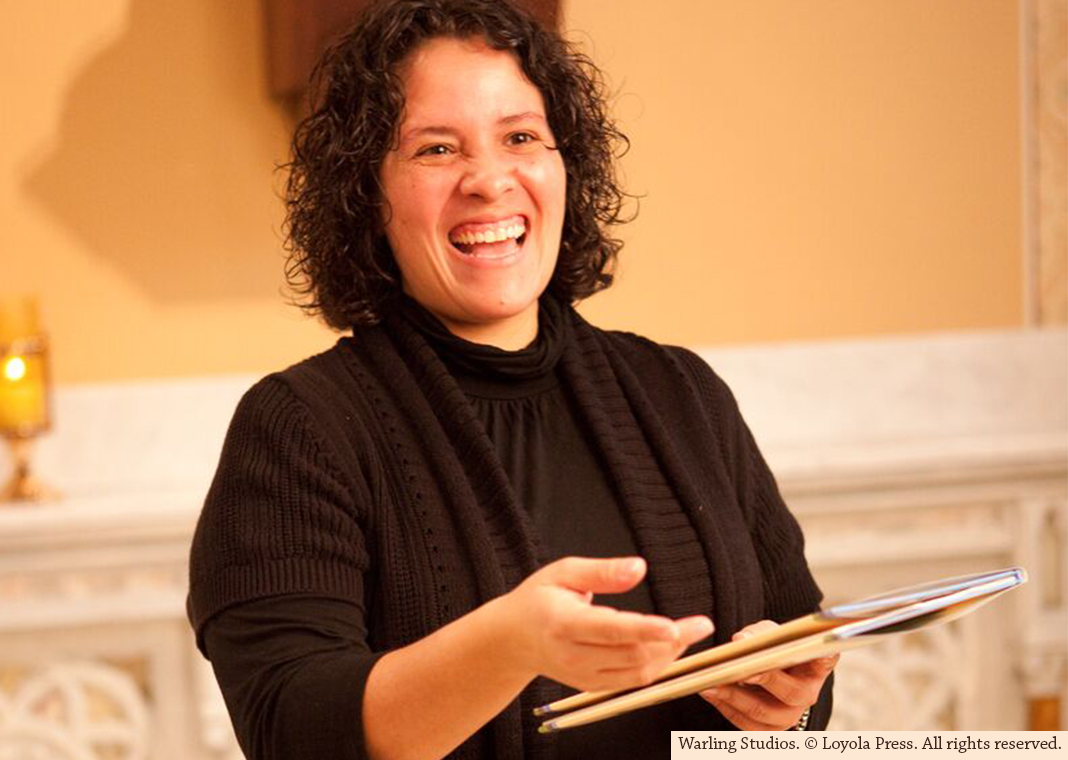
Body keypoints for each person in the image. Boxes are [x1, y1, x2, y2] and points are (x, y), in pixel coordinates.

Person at [187, 1, 836, 758]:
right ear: (368, 192)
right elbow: (291, 729)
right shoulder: (297, 429)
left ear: (567, 165)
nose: (489, 181)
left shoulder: (681, 390)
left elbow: (798, 649)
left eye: (521, 137)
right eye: (436, 150)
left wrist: (785, 702)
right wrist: (507, 646)